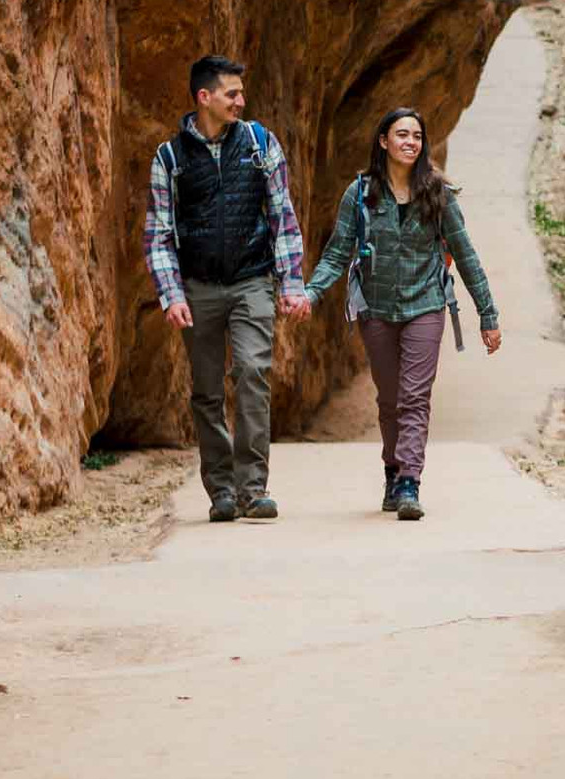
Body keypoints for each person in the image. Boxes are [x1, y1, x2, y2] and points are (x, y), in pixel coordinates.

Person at [306, 107, 501, 520]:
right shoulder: (360, 194)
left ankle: (410, 481)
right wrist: (311, 293)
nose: (410, 142)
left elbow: (465, 255)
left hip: (425, 304)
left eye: (416, 136)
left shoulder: (438, 193)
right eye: (402, 134)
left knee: (414, 396)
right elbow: (338, 252)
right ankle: (393, 470)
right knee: (390, 398)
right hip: (376, 308)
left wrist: (488, 314)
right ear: (384, 141)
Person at [144, 55, 312, 523]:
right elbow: (158, 233)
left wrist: (291, 283)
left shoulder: (259, 143)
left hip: (251, 280)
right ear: (205, 97)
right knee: (206, 391)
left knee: (253, 373)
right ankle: (221, 489)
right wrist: (172, 294)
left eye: (241, 93)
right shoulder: (170, 158)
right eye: (231, 93)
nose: (241, 101)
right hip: (197, 287)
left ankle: (253, 489)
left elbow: (282, 215)